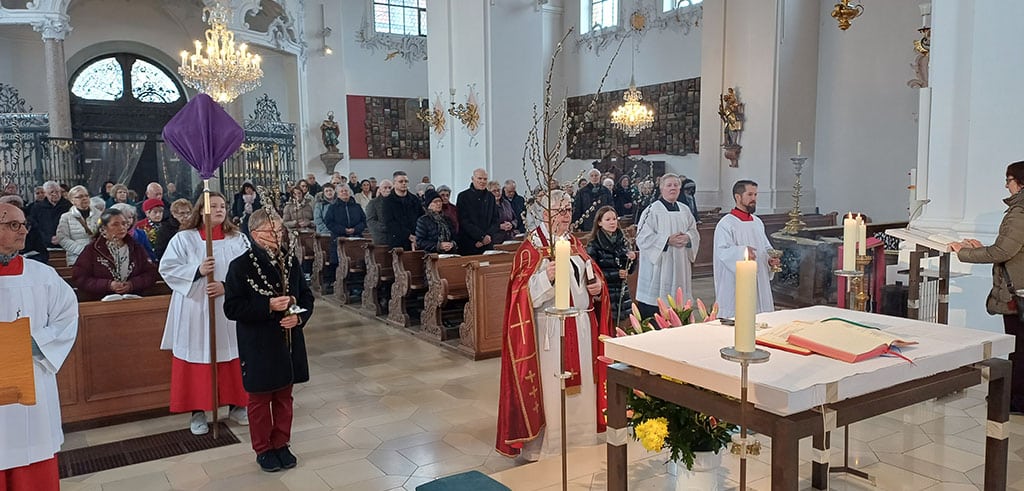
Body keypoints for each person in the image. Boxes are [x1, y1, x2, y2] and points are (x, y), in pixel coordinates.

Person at [496, 190, 610, 460]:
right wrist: (545, 278)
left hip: (580, 324)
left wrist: (597, 288)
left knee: (582, 384)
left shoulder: (574, 243)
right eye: (560, 210)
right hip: (548, 329)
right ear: (545, 214)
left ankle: (581, 437)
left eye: (569, 210)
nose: (566, 215)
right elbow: (519, 295)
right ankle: (550, 444)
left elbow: (590, 278)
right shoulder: (530, 249)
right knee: (551, 387)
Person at [224, 209, 313, 472]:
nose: (279, 236)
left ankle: (282, 443)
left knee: (285, 397)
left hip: (288, 338)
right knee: (261, 399)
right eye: (272, 232)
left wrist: (298, 318)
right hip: (258, 342)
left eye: (281, 231)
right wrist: (268, 305)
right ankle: (263, 448)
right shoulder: (240, 266)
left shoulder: (290, 261)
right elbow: (232, 308)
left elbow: (306, 297)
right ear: (255, 235)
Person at [0, 202, 78, 491]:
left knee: (32, 453)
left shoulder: (42, 275)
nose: (22, 231)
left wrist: (33, 344)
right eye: (12, 225)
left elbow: (67, 316)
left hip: (32, 375)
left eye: (23, 224)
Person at [159, 193, 250, 435]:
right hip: (195, 308)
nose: (219, 210)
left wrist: (226, 287)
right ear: (201, 210)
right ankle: (197, 411)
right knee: (199, 355)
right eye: (214, 206)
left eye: (223, 206)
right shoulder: (183, 239)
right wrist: (197, 270)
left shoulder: (237, 239)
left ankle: (237, 404)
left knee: (232, 353)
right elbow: (167, 268)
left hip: (228, 307)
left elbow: (250, 272)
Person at [950, 161, 1024, 412]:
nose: (1006, 185)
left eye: (1009, 179)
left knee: (1019, 347)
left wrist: (964, 253)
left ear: (1020, 182)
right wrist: (977, 248)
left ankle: (1014, 400)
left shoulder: (1020, 211)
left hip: (1018, 291)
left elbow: (1004, 251)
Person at [634, 174, 700, 319]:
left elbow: (694, 231)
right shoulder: (652, 210)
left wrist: (688, 237)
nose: (673, 188)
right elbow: (642, 237)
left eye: (676, 185)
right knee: (657, 312)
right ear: (661, 188)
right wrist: (666, 240)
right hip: (659, 268)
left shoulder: (685, 210)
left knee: (679, 306)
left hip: (680, 265)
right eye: (669, 185)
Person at [712, 180, 779, 319]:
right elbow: (722, 252)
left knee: (762, 318)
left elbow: (765, 247)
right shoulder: (726, 224)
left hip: (759, 277)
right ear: (738, 197)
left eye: (755, 194)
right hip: (735, 281)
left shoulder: (757, 221)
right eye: (750, 194)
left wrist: (770, 259)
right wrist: (743, 252)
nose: (754, 198)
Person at [71, 207, 159, 301]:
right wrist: (108, 285)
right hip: (101, 302)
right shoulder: (92, 250)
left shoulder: (136, 247)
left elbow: (151, 273)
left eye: (124, 224)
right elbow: (80, 278)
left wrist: (132, 284)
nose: (122, 227)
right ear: (103, 228)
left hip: (133, 298)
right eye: (115, 224)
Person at [588, 206, 636, 324]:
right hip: (606, 293)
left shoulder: (622, 240)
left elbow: (629, 269)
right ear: (600, 222)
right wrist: (615, 274)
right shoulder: (594, 244)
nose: (612, 222)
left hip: (622, 293)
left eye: (614, 219)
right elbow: (592, 272)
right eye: (608, 220)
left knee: (624, 326)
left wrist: (632, 260)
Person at [324, 185, 366, 295]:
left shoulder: (356, 206)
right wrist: (343, 230)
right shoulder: (333, 207)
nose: (344, 193)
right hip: (339, 239)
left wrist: (355, 229)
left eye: (346, 191)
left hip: (356, 238)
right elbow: (329, 223)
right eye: (341, 191)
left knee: (357, 262)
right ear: (338, 193)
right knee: (341, 262)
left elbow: (363, 221)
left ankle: (357, 286)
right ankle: (342, 286)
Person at [56, 185, 102, 265]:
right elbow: (62, 238)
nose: (84, 198)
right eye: (80, 197)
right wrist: (82, 250)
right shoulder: (66, 217)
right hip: (77, 258)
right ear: (72, 200)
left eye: (86, 196)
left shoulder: (99, 214)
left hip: (98, 256)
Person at [457, 168, 499, 255]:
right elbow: (464, 221)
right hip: (470, 243)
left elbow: (495, 219)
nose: (482, 181)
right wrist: (481, 237)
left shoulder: (490, 197)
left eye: (485, 179)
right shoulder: (463, 196)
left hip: (488, 243)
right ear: (473, 179)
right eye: (479, 178)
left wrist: (487, 237)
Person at [382, 171, 422, 249]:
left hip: (416, 239)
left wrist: (417, 235)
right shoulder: (388, 201)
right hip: (397, 241)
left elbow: (420, 217)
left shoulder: (414, 199)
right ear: (394, 183)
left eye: (406, 181)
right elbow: (390, 223)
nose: (404, 183)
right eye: (401, 181)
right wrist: (408, 235)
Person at [29, 181, 70, 248]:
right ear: (45, 193)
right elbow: (35, 226)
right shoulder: (37, 208)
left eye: (57, 192)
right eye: (51, 192)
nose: (55, 194)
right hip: (44, 244)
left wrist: (61, 237)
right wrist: (48, 238)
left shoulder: (68, 206)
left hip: (65, 243)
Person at [415, 189, 457, 253]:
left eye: (440, 201)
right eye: (435, 202)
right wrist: (438, 246)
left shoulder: (446, 219)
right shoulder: (423, 220)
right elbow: (420, 242)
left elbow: (455, 236)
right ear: (429, 205)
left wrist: (452, 244)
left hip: (449, 253)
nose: (439, 204)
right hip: (432, 255)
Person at [489, 180, 518, 244]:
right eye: (494, 191)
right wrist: (500, 226)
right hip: (495, 240)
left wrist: (511, 225)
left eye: (498, 190)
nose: (497, 193)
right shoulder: (487, 206)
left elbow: (515, 219)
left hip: (509, 238)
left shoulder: (506, 203)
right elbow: (486, 224)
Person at [365, 179, 392, 245]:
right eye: (385, 188)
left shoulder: (397, 202)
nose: (388, 190)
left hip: (397, 237)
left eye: (390, 188)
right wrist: (389, 227)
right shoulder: (373, 203)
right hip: (381, 238)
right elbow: (371, 222)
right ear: (380, 189)